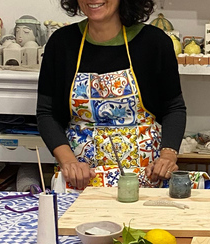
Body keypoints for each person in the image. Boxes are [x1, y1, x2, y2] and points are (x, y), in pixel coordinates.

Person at [37, 0, 186, 190]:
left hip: (145, 179)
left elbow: (174, 107)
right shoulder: (62, 43)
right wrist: (68, 162)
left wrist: (167, 156)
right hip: (81, 181)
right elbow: (46, 112)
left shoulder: (154, 42)